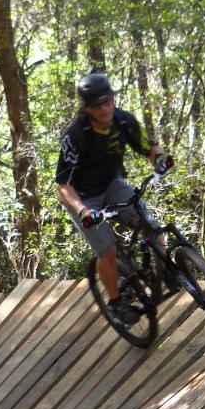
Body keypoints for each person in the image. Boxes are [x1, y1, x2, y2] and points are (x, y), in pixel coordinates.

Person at [56, 72, 171, 324]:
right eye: (98, 105)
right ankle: (116, 301)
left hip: (112, 184)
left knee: (153, 227)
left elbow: (149, 147)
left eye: (108, 101)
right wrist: (83, 211)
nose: (106, 108)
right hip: (85, 198)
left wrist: (160, 159)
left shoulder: (123, 121)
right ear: (86, 108)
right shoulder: (76, 135)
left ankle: (161, 274)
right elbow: (63, 185)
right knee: (106, 251)